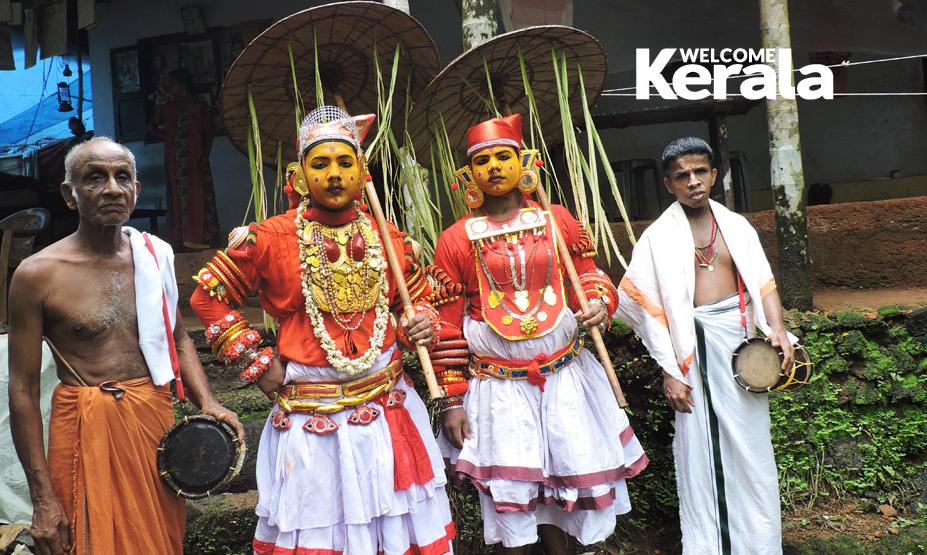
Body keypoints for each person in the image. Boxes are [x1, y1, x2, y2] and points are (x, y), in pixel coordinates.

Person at [188, 106, 459, 554]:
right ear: (298, 175)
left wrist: (419, 324)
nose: (334, 175)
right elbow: (207, 299)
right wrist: (258, 364)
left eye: (344, 163)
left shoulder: (389, 239)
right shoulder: (269, 238)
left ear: (361, 172)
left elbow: (421, 301)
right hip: (312, 418)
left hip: (388, 410)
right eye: (320, 164)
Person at [7, 137, 244, 555]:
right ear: (69, 194)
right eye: (95, 178)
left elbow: (178, 338)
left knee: (158, 541)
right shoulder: (37, 275)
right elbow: (22, 389)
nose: (112, 188)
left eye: (123, 177)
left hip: (153, 426)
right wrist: (42, 501)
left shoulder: (155, 256)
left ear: (136, 189)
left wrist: (208, 401)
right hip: (85, 430)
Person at [432, 114, 648, 552]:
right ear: (468, 175)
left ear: (524, 162)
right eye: (483, 161)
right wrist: (453, 400)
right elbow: (446, 325)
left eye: (503, 157)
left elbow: (589, 276)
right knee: (517, 499)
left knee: (569, 492)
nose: (494, 167)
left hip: (567, 378)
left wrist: (595, 304)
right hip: (499, 387)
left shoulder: (557, 220)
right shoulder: (456, 239)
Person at [617, 137, 793, 554]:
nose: (693, 181)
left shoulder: (737, 227)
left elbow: (764, 283)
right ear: (668, 184)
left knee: (753, 450)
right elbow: (644, 307)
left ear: (714, 175)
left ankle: (760, 545)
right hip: (690, 353)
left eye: (700, 172)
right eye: (682, 176)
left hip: (739, 348)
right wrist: (670, 371)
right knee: (700, 452)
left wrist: (779, 329)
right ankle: (709, 546)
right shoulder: (658, 237)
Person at [151, 67, 220, 250]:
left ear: (183, 85)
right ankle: (180, 240)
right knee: (178, 197)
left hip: (196, 159)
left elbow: (208, 133)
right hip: (174, 162)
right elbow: (153, 127)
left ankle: (202, 239)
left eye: (173, 85)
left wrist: (205, 155)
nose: (170, 89)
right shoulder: (167, 108)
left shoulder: (200, 106)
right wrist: (168, 137)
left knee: (199, 196)